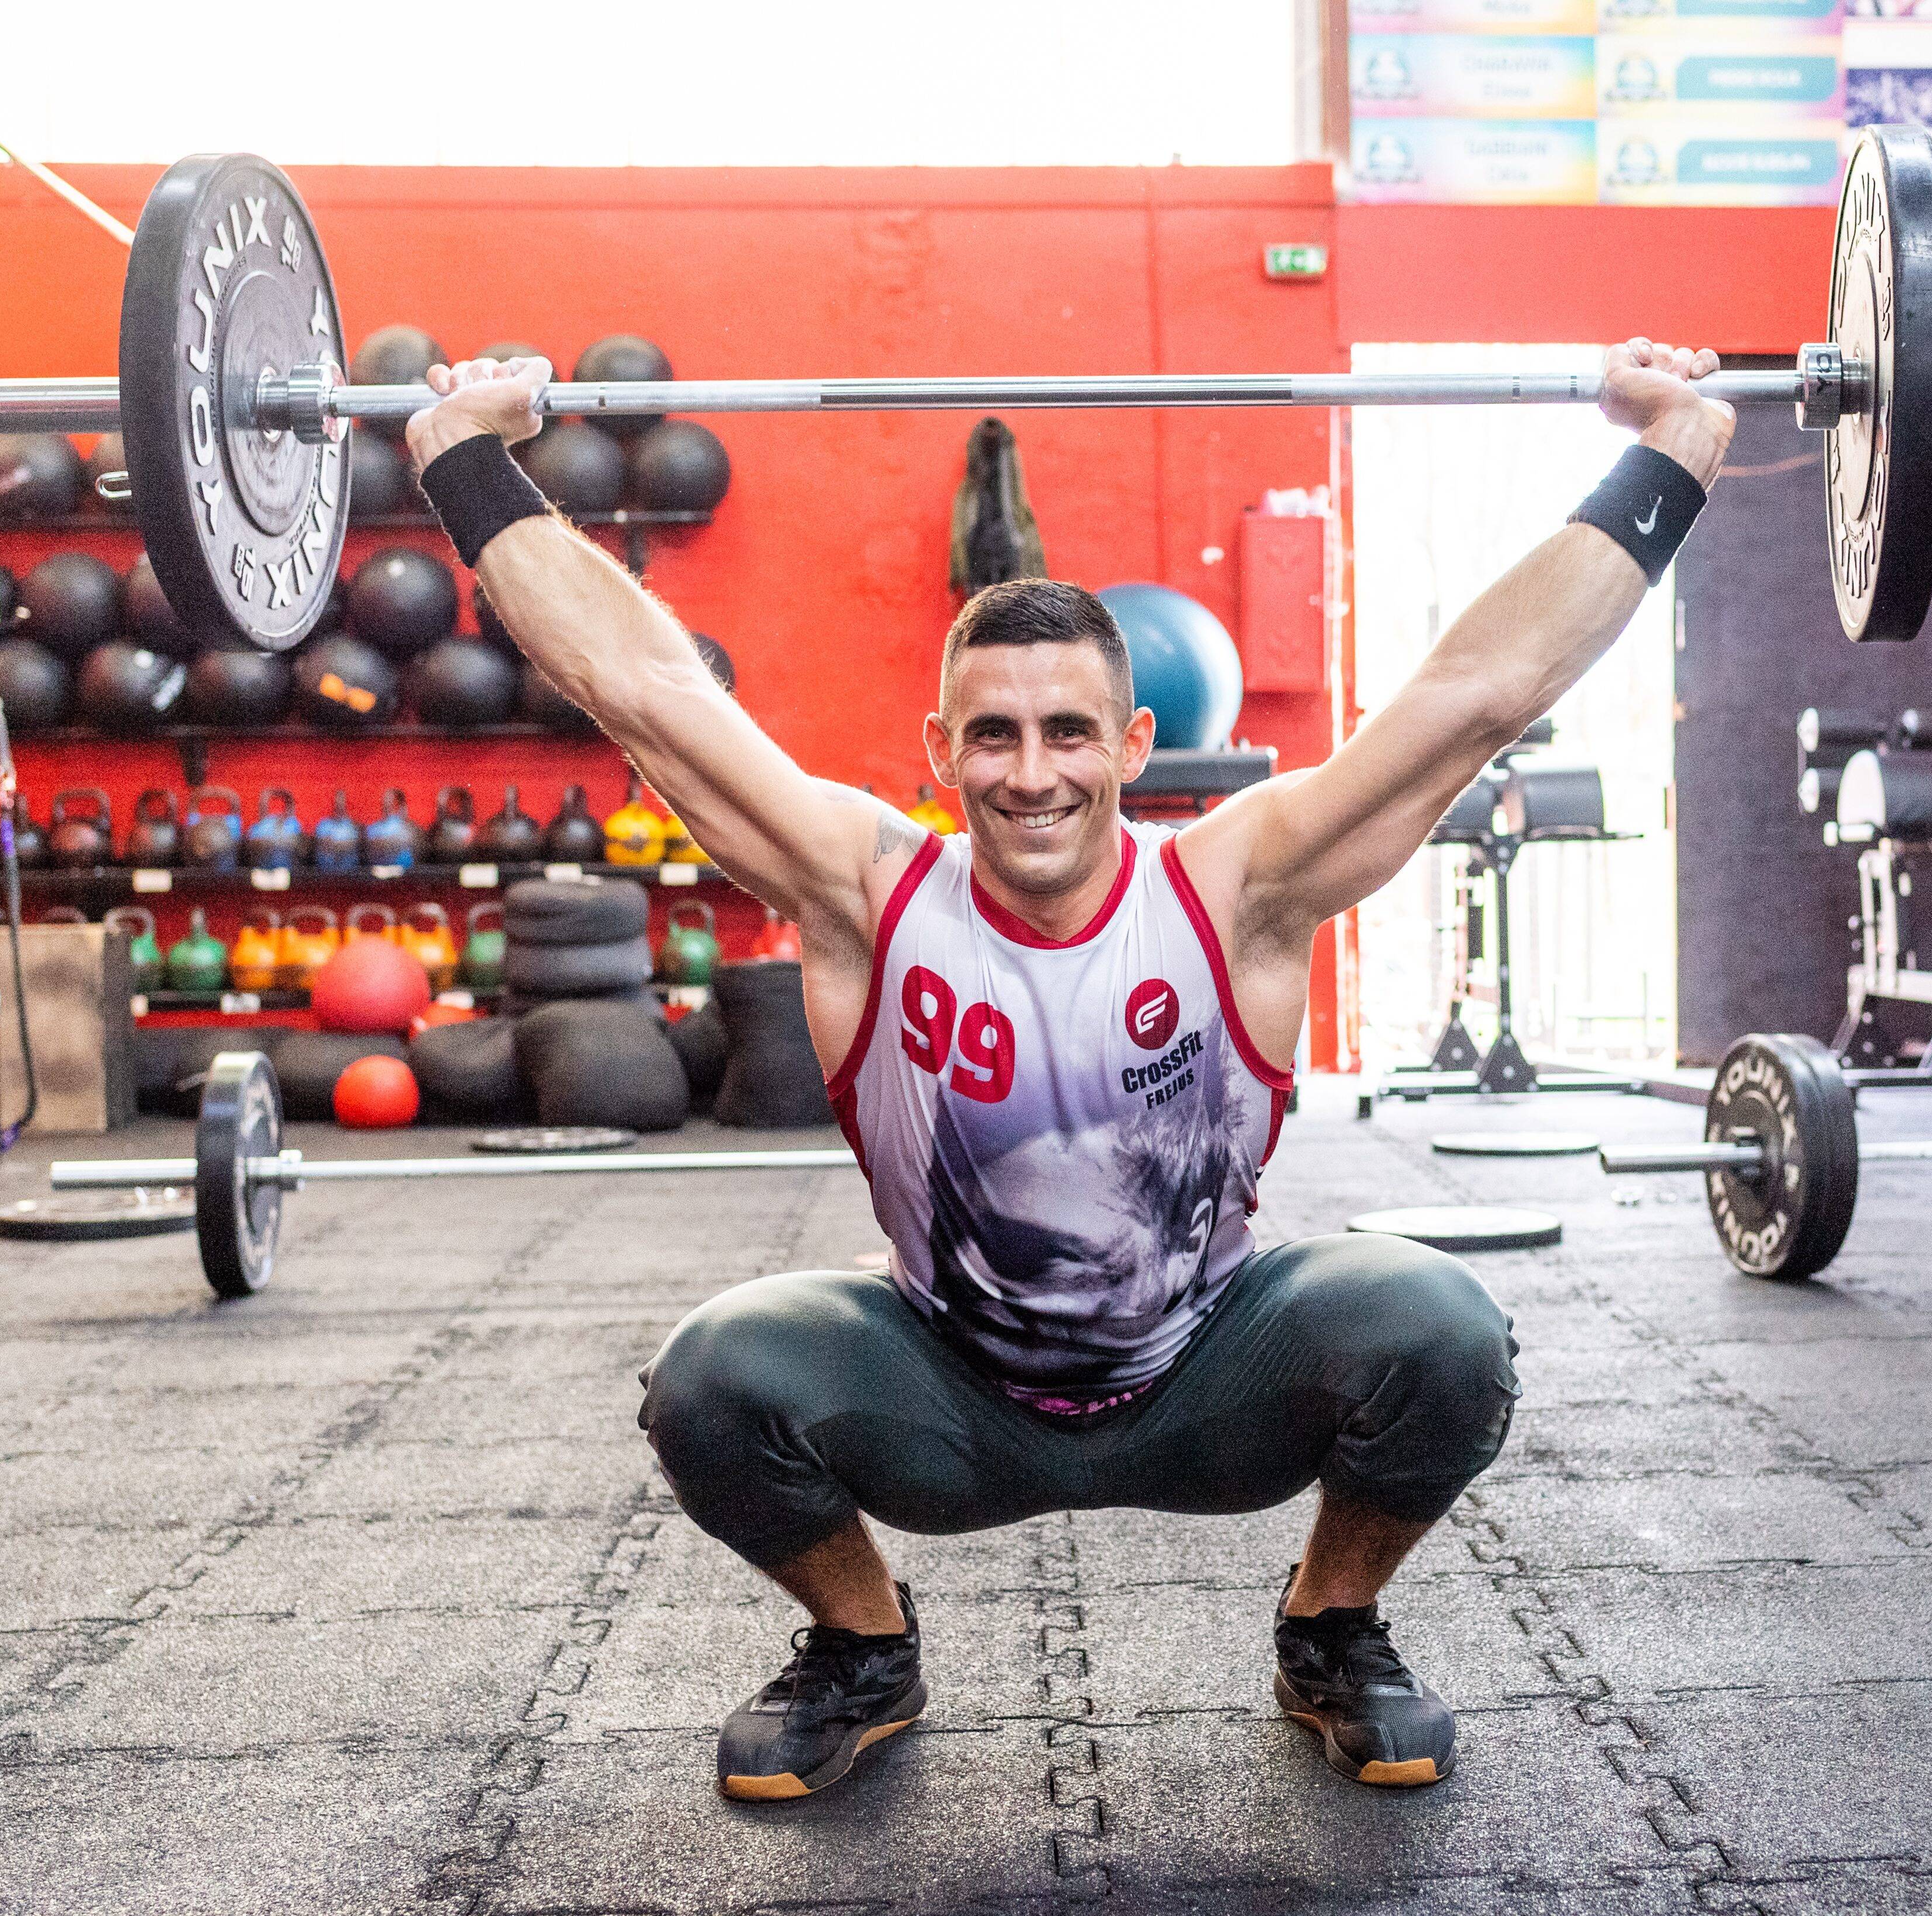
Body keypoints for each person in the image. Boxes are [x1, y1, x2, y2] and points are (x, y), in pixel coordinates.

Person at [401, 339, 1734, 1799]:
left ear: (1133, 741)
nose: (1030, 772)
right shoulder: (868, 889)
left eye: (1067, 733)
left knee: (1442, 1328)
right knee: (713, 1379)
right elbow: (646, 687)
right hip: (945, 1398)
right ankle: (863, 1646)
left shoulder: (1237, 886)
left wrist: (1670, 450)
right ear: (940, 750)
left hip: (1211, 1377)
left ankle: (1332, 1625)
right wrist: (464, 452)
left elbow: (1479, 692)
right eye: (993, 735)